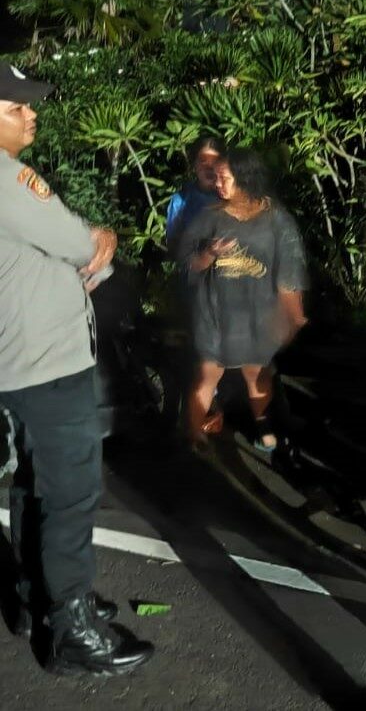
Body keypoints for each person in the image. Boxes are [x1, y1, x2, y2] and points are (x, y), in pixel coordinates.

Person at [0, 62, 154, 674]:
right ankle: (72, 631)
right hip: (46, 365)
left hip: (20, 362)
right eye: (16, 107)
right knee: (69, 495)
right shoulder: (8, 178)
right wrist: (97, 233)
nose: (31, 114)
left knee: (35, 488)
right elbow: (75, 243)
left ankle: (30, 602)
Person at [177, 147, 308, 451]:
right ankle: (194, 434)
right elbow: (187, 262)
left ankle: (263, 427)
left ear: (246, 178)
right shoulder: (209, 217)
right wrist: (209, 253)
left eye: (225, 178)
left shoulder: (276, 219)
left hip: (256, 313)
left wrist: (293, 310)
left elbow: (289, 265)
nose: (218, 184)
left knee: (257, 375)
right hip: (216, 312)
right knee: (207, 375)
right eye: (218, 178)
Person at [166, 135, 224, 257]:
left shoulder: (231, 197)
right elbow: (172, 245)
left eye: (215, 162)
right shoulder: (180, 201)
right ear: (194, 164)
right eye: (203, 161)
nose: (209, 168)